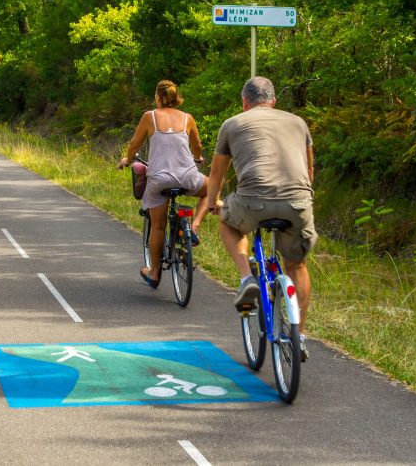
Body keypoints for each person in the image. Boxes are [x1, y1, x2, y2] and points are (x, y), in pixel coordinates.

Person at [204, 76, 316, 359]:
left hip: (253, 202)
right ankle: (298, 335)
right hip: (298, 202)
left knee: (228, 220)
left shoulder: (232, 124)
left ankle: (246, 279)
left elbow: (217, 173)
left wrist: (211, 202)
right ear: (274, 101)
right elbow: (310, 171)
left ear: (245, 102)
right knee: (297, 265)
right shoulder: (298, 122)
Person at [118, 80, 208, 288]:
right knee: (211, 189)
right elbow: (197, 145)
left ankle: (155, 272)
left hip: (159, 180)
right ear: (176, 97)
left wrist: (128, 159)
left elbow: (134, 145)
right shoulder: (188, 119)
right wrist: (198, 157)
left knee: (158, 226)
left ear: (158, 98)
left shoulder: (150, 117)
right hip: (187, 176)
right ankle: (194, 227)